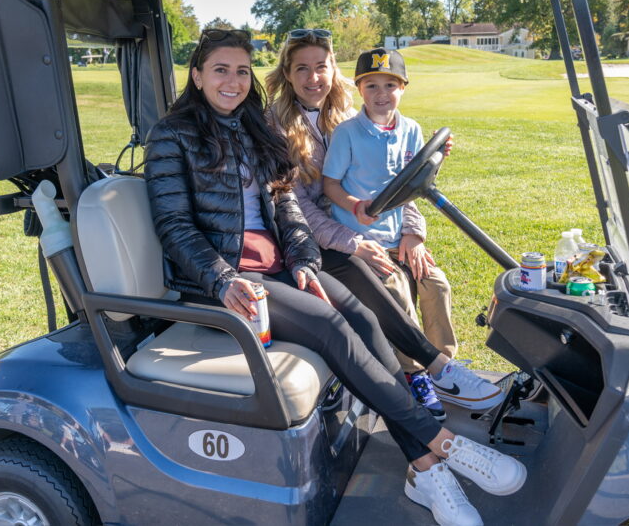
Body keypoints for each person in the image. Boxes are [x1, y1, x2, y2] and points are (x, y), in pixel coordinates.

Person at [144, 29, 525, 526]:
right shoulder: (172, 135)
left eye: (241, 71)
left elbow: (285, 202)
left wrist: (303, 259)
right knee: (331, 328)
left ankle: (425, 471)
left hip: (278, 265)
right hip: (225, 280)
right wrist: (220, 279)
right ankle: (442, 445)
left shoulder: (252, 126)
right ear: (196, 76)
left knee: (365, 320)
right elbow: (173, 225)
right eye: (220, 70)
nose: (233, 82)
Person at [265, 32, 505, 418]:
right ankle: (415, 375)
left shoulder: (349, 114)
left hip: (377, 231)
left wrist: (413, 232)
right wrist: (351, 240)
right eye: (302, 69)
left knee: (432, 280)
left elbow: (397, 181)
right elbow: (295, 205)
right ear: (288, 74)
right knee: (391, 283)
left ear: (333, 71)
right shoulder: (276, 128)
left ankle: (447, 369)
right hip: (320, 240)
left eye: (321, 67)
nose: (313, 78)